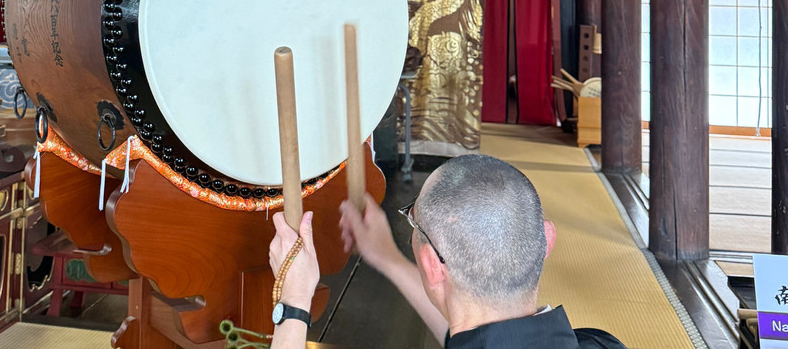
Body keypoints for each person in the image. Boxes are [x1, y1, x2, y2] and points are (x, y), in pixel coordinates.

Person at [268, 154, 627, 349]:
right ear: (546, 240)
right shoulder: (601, 343)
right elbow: (475, 336)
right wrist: (387, 257)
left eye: (412, 217)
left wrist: (294, 304)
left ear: (431, 264)